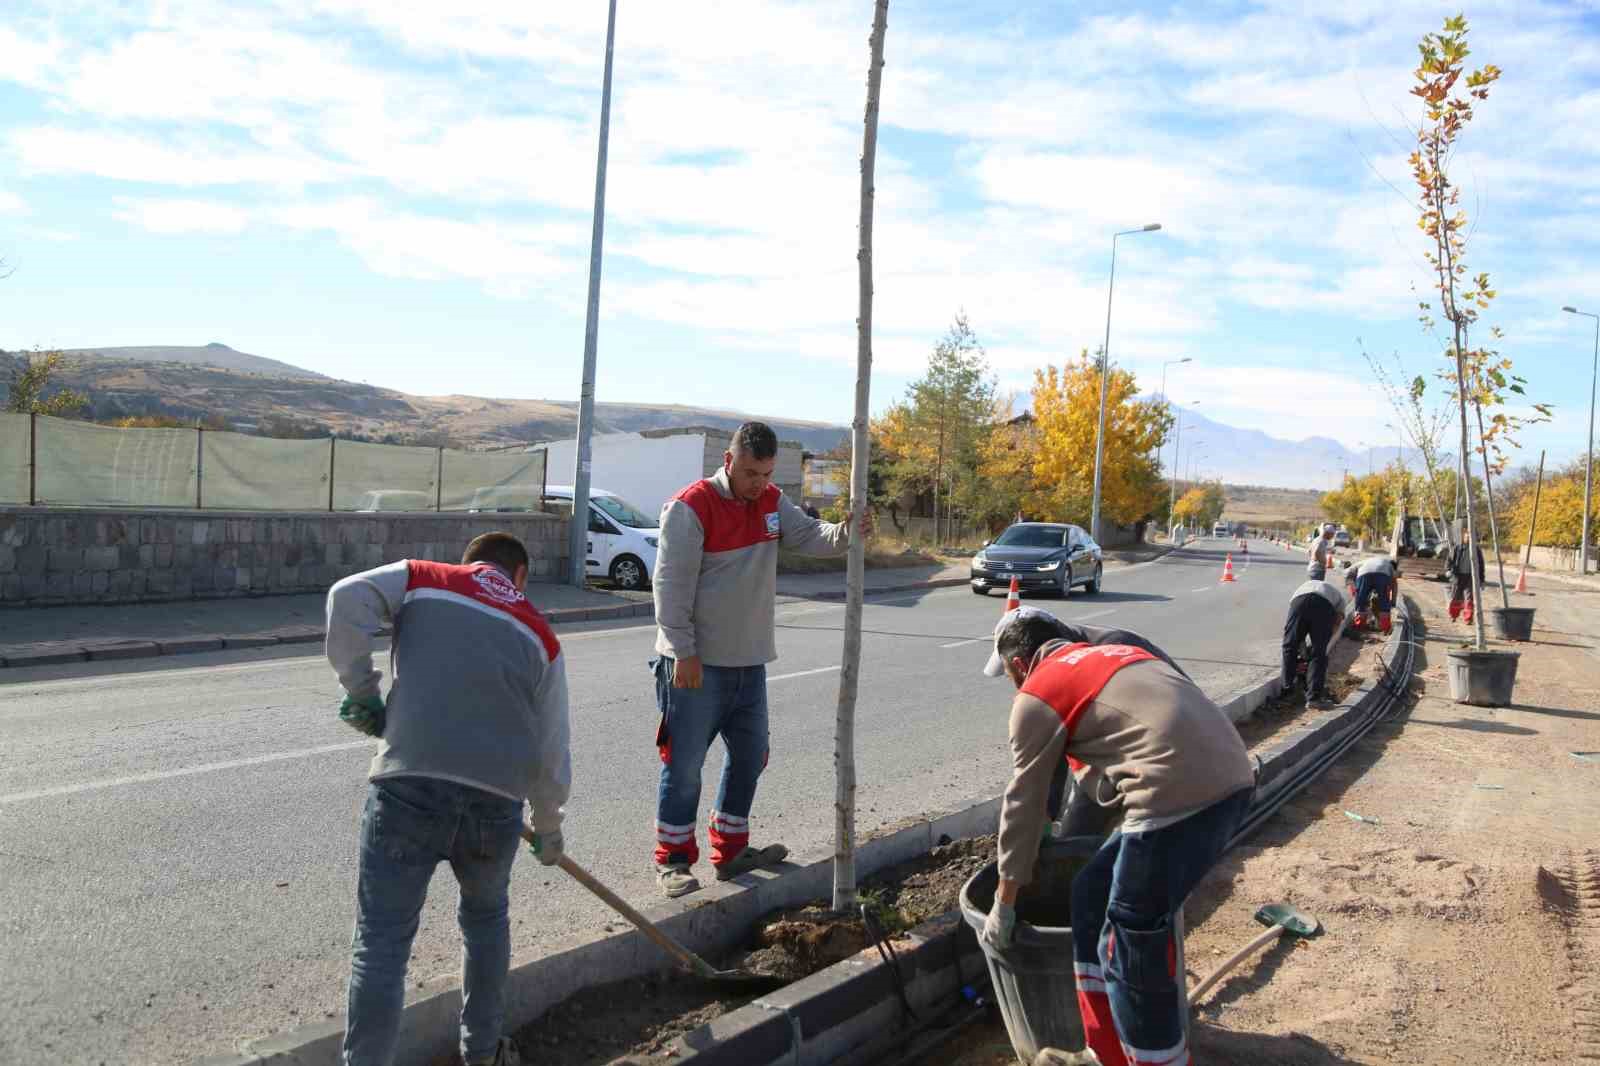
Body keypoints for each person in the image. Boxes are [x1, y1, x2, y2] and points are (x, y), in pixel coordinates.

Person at [325, 532, 571, 1066]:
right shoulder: (542, 635)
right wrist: (548, 826)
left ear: (472, 563)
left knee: (382, 942)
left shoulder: (425, 578)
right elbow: (551, 750)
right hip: (494, 806)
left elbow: (346, 597)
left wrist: (362, 692)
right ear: (520, 577)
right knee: (485, 925)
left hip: (407, 786)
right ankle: (482, 1055)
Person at [977, 606, 1254, 1066]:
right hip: (1233, 779)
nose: (1013, 685)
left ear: (1020, 665)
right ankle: (1103, 1052)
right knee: (1092, 892)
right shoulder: (1118, 653)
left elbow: (1021, 807)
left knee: (1129, 942)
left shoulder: (1036, 693)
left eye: (1009, 674)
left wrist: (1004, 905)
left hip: (1170, 798)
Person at [651, 422, 869, 897]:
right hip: (695, 666)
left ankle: (730, 852)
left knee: (751, 756)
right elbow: (669, 588)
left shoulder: (772, 501)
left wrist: (848, 531)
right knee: (685, 764)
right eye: (750, 473)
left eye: (766, 474)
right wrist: (683, 652)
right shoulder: (690, 508)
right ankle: (674, 860)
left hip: (749, 663)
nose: (758, 484)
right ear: (729, 461)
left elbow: (813, 536)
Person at [1282, 575, 1348, 706]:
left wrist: (1301, 648)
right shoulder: (1339, 599)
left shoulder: (1303, 588)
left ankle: (1287, 690)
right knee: (1318, 652)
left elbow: (1293, 630)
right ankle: (1314, 698)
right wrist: (1322, 641)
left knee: (1289, 646)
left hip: (1298, 602)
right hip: (1323, 605)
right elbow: (1337, 622)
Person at [1447, 527, 1486, 623]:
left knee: (1469, 599)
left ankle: (1468, 618)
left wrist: (1481, 580)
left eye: (1471, 537)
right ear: (1464, 537)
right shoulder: (1457, 548)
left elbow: (1481, 566)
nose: (1469, 539)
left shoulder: (1476, 550)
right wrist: (1448, 570)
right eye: (1467, 536)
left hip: (1470, 577)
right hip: (1458, 576)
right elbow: (1449, 560)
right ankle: (1453, 615)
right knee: (1455, 598)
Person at [1351, 555, 1399, 633]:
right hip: (1381, 575)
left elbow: (1355, 588)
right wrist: (1393, 601)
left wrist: (1356, 594)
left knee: (1361, 601)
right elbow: (1394, 586)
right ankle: (1386, 628)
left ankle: (1359, 626)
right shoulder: (1390, 566)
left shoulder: (1364, 562)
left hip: (1364, 573)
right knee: (1384, 600)